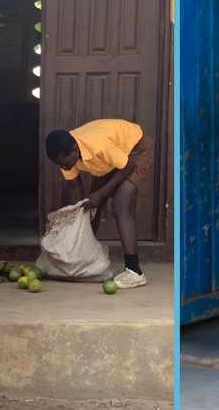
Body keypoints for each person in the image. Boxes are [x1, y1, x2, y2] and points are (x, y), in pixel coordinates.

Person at [44, 119, 153, 289]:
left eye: (65, 163)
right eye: (60, 165)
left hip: (135, 150)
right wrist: (84, 206)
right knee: (90, 207)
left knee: (120, 206)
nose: (64, 167)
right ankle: (85, 261)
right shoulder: (65, 154)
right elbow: (75, 185)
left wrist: (101, 194)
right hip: (112, 158)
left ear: (74, 149)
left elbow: (127, 166)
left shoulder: (97, 145)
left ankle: (134, 271)